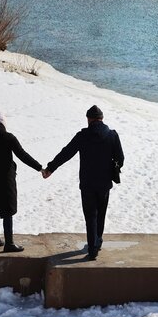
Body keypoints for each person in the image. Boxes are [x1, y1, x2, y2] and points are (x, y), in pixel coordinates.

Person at [42, 105, 124, 260]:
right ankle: (97, 242)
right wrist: (111, 166)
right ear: (102, 119)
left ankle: (92, 247)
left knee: (90, 216)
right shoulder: (112, 136)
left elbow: (66, 153)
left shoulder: (83, 136)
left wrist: (50, 168)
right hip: (104, 183)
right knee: (101, 213)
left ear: (89, 119)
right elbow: (121, 159)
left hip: (87, 183)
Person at [0, 113, 42, 252]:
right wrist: (40, 168)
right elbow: (22, 155)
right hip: (6, 179)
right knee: (7, 211)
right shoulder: (8, 137)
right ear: (3, 125)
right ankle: (9, 243)